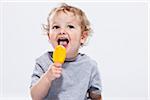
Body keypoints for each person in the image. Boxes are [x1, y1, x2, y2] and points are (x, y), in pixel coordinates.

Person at [30, 3, 102, 100]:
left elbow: (96, 95)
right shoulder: (43, 62)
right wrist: (47, 77)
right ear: (49, 36)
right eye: (56, 27)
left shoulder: (89, 65)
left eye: (70, 26)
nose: (62, 31)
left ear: (83, 37)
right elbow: (35, 97)